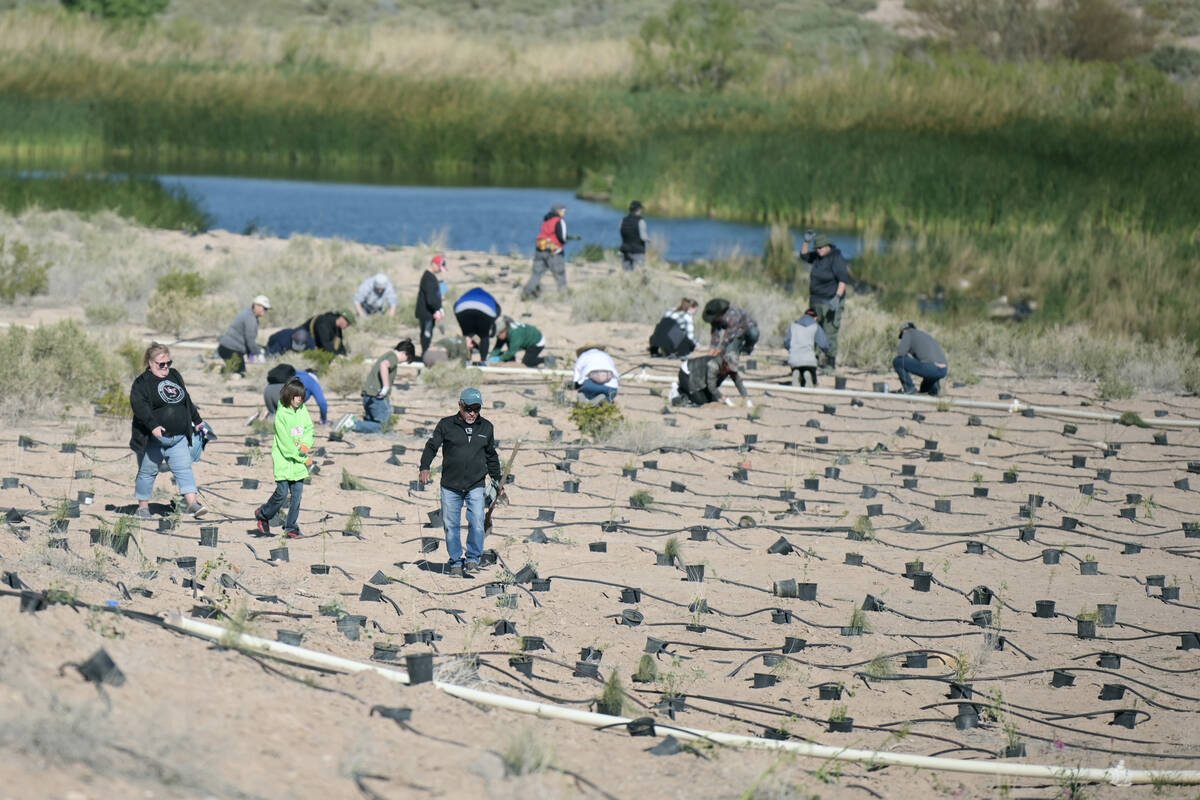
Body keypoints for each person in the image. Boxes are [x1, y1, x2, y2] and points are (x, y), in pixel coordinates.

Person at [418, 388, 503, 578]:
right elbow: (432, 446)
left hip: (476, 484)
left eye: (476, 408)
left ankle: (473, 559)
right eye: (468, 408)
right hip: (450, 485)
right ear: (460, 405)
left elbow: (491, 456)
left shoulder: (486, 428)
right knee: (451, 526)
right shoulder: (446, 425)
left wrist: (497, 482)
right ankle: (456, 562)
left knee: (477, 522)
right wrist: (424, 466)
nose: (472, 413)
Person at [129, 343, 209, 519]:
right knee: (147, 473)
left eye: (168, 363)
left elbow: (185, 400)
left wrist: (197, 420)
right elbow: (139, 407)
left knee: (184, 469)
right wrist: (153, 426)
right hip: (154, 440)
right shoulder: (142, 383)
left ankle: (193, 504)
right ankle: (143, 508)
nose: (166, 367)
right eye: (161, 364)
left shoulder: (174, 375)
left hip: (178, 438)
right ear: (150, 363)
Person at [253, 378, 313, 538]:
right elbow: (286, 446)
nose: (299, 400)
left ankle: (291, 527)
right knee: (281, 493)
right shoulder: (281, 415)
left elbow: (309, 428)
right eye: (296, 396)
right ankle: (263, 515)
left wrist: (307, 444)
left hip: (298, 460)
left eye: (302, 396)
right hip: (284, 460)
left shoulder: (302, 410)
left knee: (297, 495)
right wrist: (304, 459)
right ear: (289, 396)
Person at [334, 339, 417, 434]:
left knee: (372, 425)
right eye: (407, 359)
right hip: (378, 397)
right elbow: (384, 365)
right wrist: (385, 387)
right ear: (404, 353)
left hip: (368, 395)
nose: (403, 362)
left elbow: (372, 370)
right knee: (384, 428)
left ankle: (352, 424)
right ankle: (352, 424)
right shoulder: (393, 357)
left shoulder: (386, 355)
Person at [800, 231, 850, 370]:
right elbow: (804, 256)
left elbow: (843, 280)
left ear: (828, 246)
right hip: (816, 301)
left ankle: (829, 363)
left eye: (821, 247)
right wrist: (806, 241)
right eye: (816, 248)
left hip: (831, 302)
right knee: (813, 330)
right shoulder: (817, 256)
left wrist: (837, 298)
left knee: (829, 332)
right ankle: (813, 360)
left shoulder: (836, 257)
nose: (819, 250)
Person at [522, 203, 569, 299]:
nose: (565, 212)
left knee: (536, 274)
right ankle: (564, 297)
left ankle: (526, 294)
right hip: (554, 252)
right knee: (560, 275)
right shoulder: (560, 221)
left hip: (540, 250)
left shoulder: (546, 220)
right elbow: (562, 238)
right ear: (558, 211)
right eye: (563, 210)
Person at [670, 352, 749, 407]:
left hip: (701, 379)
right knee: (700, 402)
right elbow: (711, 386)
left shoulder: (729, 369)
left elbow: (738, 381)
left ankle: (686, 390)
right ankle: (679, 390)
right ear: (725, 363)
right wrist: (725, 398)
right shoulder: (714, 365)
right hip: (687, 374)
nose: (732, 370)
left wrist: (746, 398)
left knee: (712, 401)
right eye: (730, 367)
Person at [217, 295, 270, 376]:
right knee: (239, 374)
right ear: (256, 306)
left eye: (267, 309)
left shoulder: (249, 314)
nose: (265, 311)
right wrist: (258, 354)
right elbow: (250, 340)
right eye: (264, 308)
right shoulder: (250, 318)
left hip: (228, 349)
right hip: (230, 350)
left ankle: (219, 369)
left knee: (239, 371)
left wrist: (252, 352)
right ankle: (216, 369)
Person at [261, 363, 329, 426]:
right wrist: (324, 419)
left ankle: (262, 420)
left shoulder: (293, 373)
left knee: (274, 416)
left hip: (268, 390)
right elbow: (322, 403)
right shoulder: (312, 380)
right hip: (284, 392)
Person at [894, 322, 949, 396]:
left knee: (898, 361)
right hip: (943, 370)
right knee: (924, 390)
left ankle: (909, 389)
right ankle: (934, 389)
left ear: (903, 330)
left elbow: (901, 353)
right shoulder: (925, 335)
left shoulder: (908, 333)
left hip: (931, 368)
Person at [453, 286, 502, 364]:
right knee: (484, 335)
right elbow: (498, 309)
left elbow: (455, 305)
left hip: (462, 309)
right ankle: (483, 361)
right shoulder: (488, 296)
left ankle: (466, 360)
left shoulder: (466, 295)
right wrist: (492, 322)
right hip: (486, 310)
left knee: (467, 336)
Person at [784, 308, 831, 387]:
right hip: (809, 360)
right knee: (809, 365)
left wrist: (793, 350)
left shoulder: (793, 325)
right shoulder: (815, 326)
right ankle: (809, 375)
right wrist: (828, 350)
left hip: (794, 359)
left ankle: (796, 372)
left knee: (797, 364)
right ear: (815, 318)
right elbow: (824, 345)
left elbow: (786, 343)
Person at [415, 254, 448, 361]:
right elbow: (430, 299)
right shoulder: (428, 278)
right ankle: (424, 356)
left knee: (427, 335)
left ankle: (425, 354)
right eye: (439, 267)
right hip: (427, 313)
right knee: (426, 335)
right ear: (433, 264)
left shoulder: (431, 277)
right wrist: (437, 308)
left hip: (429, 313)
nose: (439, 270)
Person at [619, 200, 649, 271]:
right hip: (637, 251)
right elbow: (643, 237)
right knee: (638, 273)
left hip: (625, 250)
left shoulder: (623, 220)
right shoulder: (641, 221)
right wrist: (649, 240)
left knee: (627, 274)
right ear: (638, 210)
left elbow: (621, 233)